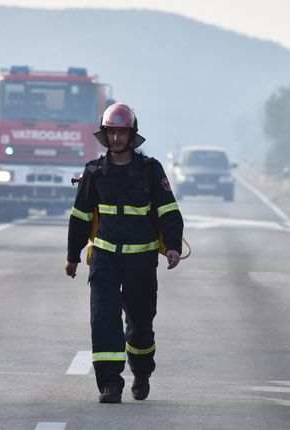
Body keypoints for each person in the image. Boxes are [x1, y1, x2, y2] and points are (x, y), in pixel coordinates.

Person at [65, 103, 184, 404]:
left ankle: (142, 371)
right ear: (104, 135)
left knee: (141, 325)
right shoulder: (94, 173)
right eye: (112, 131)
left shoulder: (150, 170)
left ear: (132, 135)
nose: (116, 137)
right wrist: (73, 256)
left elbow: (169, 211)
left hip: (141, 263)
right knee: (104, 319)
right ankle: (110, 383)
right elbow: (80, 217)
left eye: (122, 131)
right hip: (105, 260)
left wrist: (172, 246)